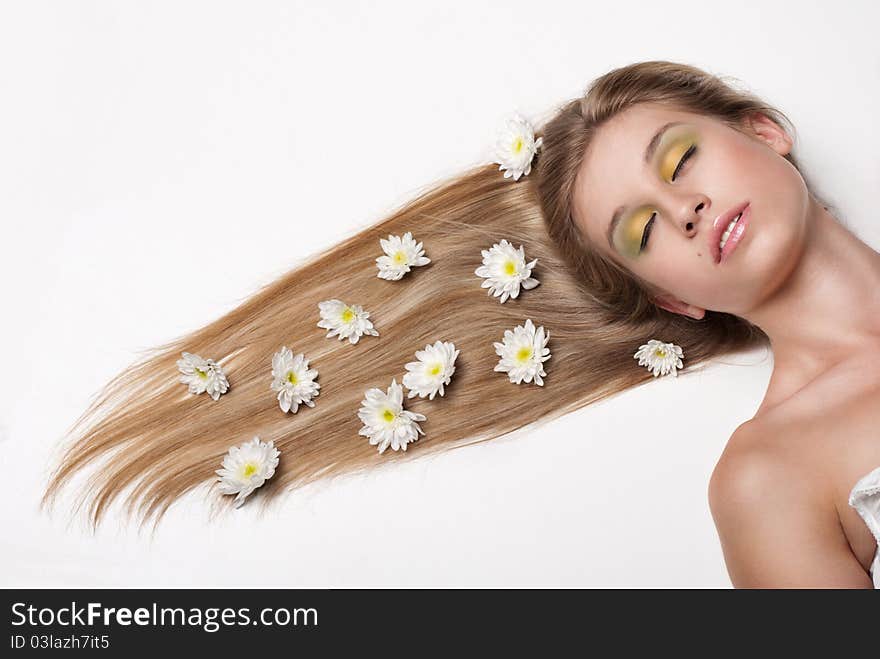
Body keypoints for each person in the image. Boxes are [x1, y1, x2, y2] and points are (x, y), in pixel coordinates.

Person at [42, 60, 879, 588]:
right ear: (671, 300)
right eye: (643, 231)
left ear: (763, 132)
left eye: (679, 159)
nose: (683, 209)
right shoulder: (770, 480)